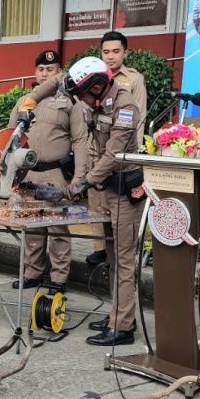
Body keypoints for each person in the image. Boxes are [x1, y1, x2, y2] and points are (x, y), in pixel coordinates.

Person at [27, 56, 144, 346]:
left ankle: (124, 326)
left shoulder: (125, 106)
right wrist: (31, 98)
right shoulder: (96, 97)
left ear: (97, 86)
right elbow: (57, 79)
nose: (80, 100)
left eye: (82, 94)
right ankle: (119, 313)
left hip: (124, 192)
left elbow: (113, 156)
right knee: (113, 258)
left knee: (125, 261)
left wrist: (81, 183)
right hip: (105, 190)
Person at [6, 50, 87, 293]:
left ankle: (59, 279)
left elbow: (81, 140)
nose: (44, 73)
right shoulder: (25, 102)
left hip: (55, 174)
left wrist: (78, 177)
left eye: (50, 70)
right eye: (40, 69)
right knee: (32, 227)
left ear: (59, 72)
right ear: (35, 72)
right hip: (29, 174)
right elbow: (10, 136)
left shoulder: (71, 101)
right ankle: (32, 273)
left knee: (58, 229)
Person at [83, 31, 148, 267]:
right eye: (106, 52)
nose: (110, 56)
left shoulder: (133, 79)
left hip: (121, 154)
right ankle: (100, 247)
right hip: (96, 151)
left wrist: (133, 155)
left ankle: (119, 249)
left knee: (118, 209)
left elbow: (137, 119)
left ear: (125, 52)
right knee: (96, 203)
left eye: (116, 51)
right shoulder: (93, 78)